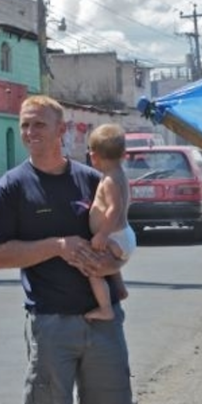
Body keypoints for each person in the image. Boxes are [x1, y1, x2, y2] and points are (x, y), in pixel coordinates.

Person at [0, 95, 133, 404]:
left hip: (102, 322)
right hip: (50, 322)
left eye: (39, 124)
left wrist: (111, 261)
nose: (30, 132)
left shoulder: (90, 179)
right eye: (25, 125)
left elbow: (122, 237)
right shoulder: (11, 188)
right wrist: (57, 247)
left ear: (61, 130)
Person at [86, 123, 136, 321]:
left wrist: (102, 234)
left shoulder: (109, 180)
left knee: (93, 269)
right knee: (106, 261)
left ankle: (105, 309)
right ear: (124, 154)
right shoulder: (120, 175)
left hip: (116, 237)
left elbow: (114, 208)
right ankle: (120, 289)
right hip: (123, 235)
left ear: (93, 156)